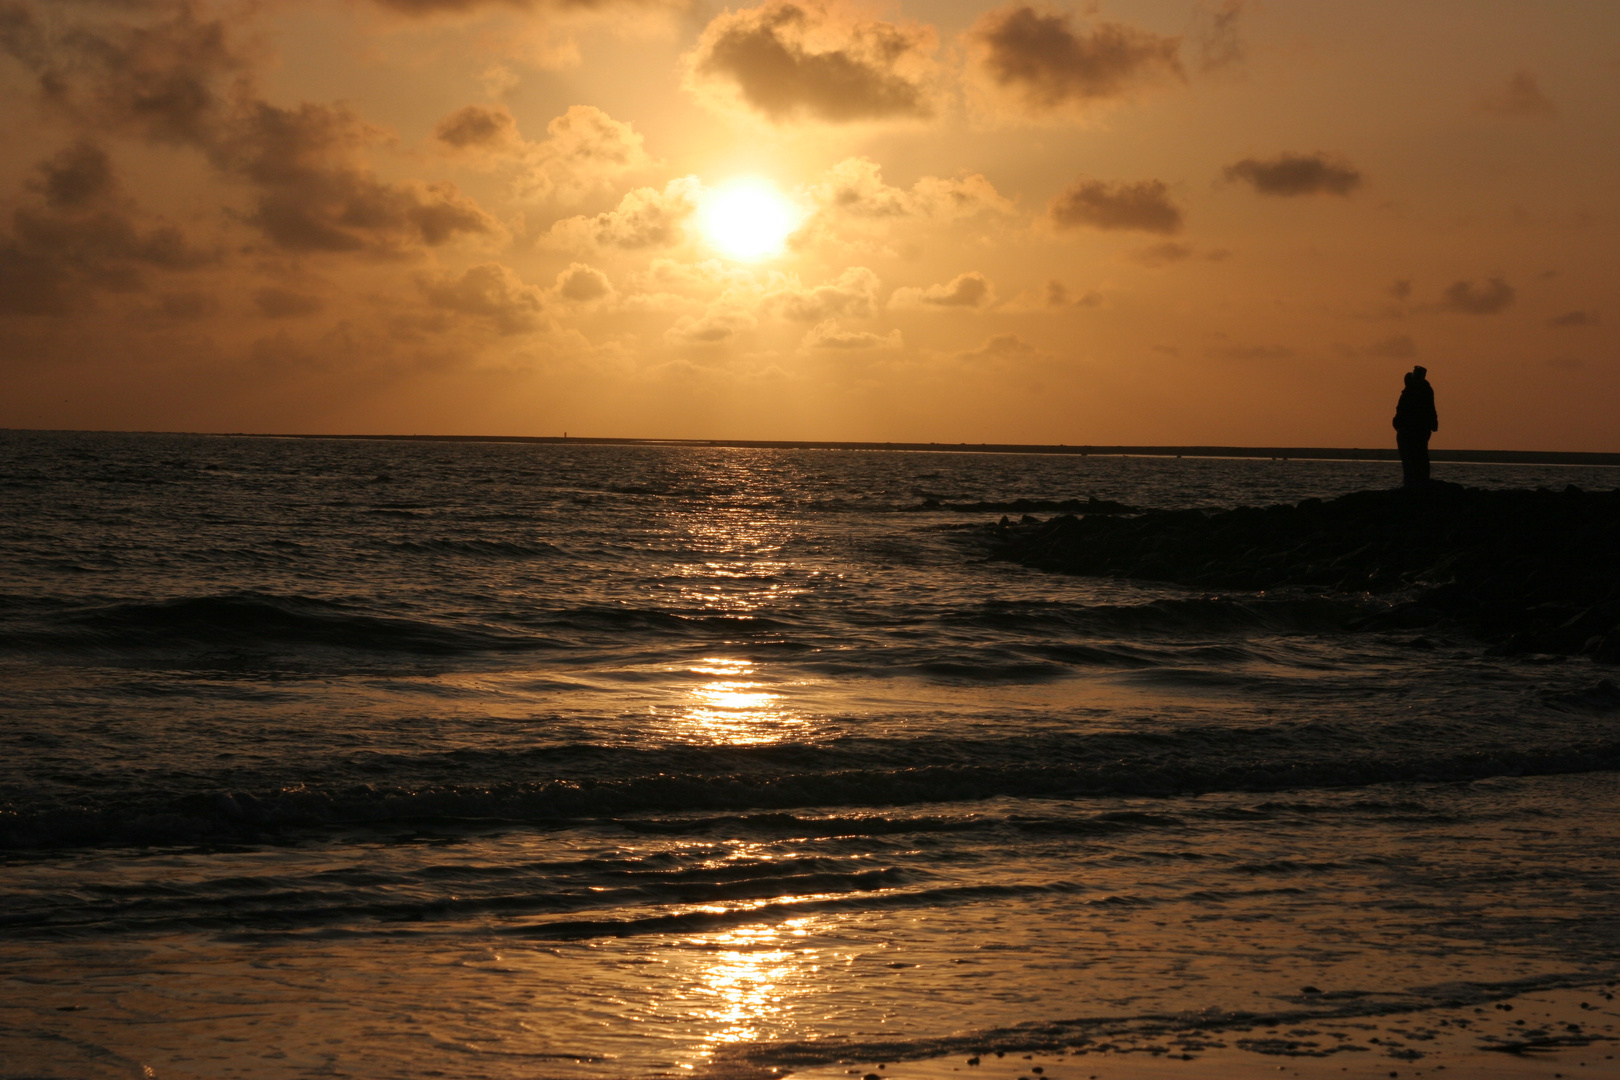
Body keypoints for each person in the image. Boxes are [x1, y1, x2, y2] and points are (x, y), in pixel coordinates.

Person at [1392, 365, 1438, 487]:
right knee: (1416, 457)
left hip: (1413, 429)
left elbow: (1429, 409)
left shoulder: (1417, 390)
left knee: (1414, 458)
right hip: (1414, 429)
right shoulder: (1422, 390)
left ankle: (1415, 483)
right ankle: (1416, 483)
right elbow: (1430, 409)